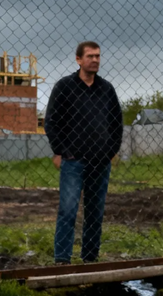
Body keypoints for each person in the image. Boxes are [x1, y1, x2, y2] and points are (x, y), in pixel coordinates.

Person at [45, 41, 123, 264]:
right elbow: (51, 122)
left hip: (100, 162)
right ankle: (62, 260)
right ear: (79, 59)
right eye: (90, 56)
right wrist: (61, 151)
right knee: (68, 211)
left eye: (98, 56)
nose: (95, 60)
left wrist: (110, 151)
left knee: (95, 214)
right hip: (74, 161)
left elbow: (117, 123)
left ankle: (89, 259)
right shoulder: (65, 87)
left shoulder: (106, 89)